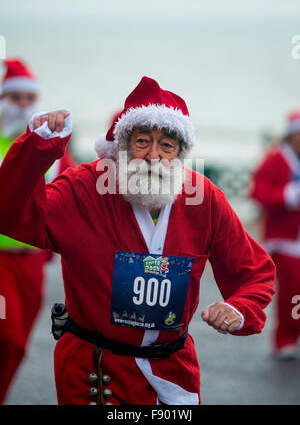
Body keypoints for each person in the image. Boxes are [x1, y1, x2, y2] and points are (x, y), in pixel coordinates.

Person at [0, 76, 275, 405]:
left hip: (174, 373)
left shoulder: (204, 199)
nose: (154, 156)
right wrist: (37, 147)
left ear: (181, 153)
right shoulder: (84, 189)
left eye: (167, 146)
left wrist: (239, 307)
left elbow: (254, 271)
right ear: (121, 146)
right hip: (95, 372)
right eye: (142, 141)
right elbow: (12, 213)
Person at [0, 58, 76, 404]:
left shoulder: (55, 148)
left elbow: (74, 193)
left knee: (19, 345)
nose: (21, 104)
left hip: (31, 261)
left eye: (28, 98)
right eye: (13, 97)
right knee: (8, 336)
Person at [250, 110, 300, 359]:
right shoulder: (275, 160)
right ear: (292, 135)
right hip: (285, 240)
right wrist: (288, 195)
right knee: (292, 292)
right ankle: (285, 339)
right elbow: (258, 193)